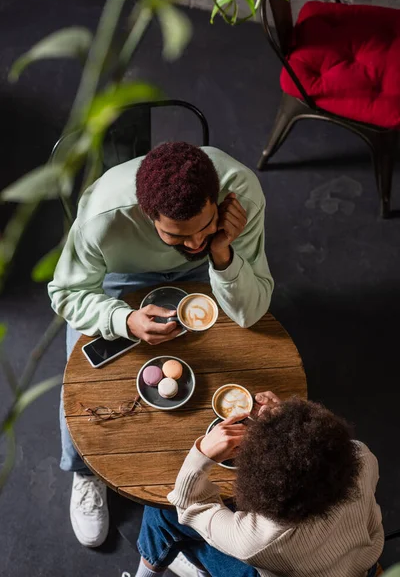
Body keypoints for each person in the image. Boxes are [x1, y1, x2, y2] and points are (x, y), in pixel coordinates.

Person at [48, 142, 274, 547]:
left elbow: (250, 310)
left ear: (216, 201)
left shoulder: (241, 193)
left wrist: (220, 251)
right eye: (177, 234)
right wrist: (123, 319)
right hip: (123, 279)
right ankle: (82, 469)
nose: (191, 243)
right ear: (146, 214)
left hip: (206, 273)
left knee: (232, 361)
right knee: (81, 378)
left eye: (202, 226)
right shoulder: (103, 216)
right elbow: (66, 294)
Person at [133, 392, 384, 577]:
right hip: (361, 566)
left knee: (162, 512)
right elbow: (322, 449)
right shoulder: (361, 458)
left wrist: (202, 453)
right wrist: (287, 419)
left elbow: (189, 503)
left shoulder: (257, 539)